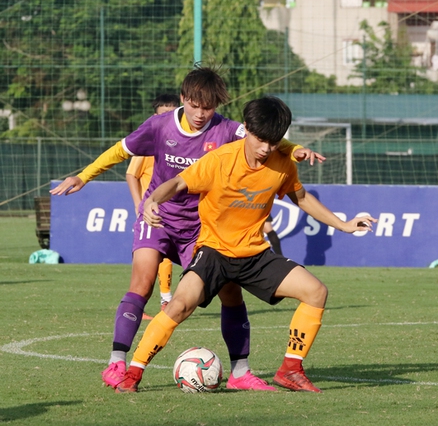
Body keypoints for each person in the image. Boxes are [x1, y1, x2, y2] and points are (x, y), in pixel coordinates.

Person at [50, 65, 324, 392]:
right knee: (143, 281)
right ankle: (118, 362)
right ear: (183, 99)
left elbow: (265, 136)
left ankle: (240, 372)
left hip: (199, 226)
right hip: (159, 215)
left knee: (231, 291)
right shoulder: (159, 126)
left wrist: (295, 150)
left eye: (208, 108)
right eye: (194, 105)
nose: (200, 113)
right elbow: (120, 151)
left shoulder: (227, 130)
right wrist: (84, 175)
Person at [115, 96, 376, 393]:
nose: (266, 148)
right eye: (261, 139)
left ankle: (290, 370)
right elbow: (176, 183)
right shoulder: (220, 160)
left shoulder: (281, 164)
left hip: (254, 254)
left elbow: (301, 198)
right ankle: (133, 374)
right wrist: (152, 201)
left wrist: (343, 224)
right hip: (214, 252)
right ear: (247, 129)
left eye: (274, 142)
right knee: (178, 306)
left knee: (316, 292)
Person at [126, 94, 180, 319]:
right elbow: (131, 174)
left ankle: (168, 301)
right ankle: (161, 302)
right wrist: (140, 207)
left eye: (172, 113)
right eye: (162, 114)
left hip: (178, 210)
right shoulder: (150, 143)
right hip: (153, 211)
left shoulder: (184, 144)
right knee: (151, 259)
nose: (167, 119)